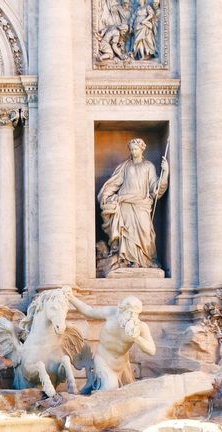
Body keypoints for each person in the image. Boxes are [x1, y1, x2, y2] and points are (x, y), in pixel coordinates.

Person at [98, 138, 168, 270]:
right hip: (125, 204)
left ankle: (145, 260)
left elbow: (155, 188)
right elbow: (115, 183)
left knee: (145, 231)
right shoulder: (125, 166)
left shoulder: (148, 166)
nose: (133, 151)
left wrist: (165, 173)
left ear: (142, 149)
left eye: (135, 149)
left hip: (141, 204)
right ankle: (129, 261)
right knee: (127, 233)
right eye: (131, 149)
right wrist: (106, 195)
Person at [65, 290, 156, 392]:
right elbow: (88, 311)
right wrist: (71, 298)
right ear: (122, 310)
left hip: (123, 366)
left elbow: (152, 351)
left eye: (136, 314)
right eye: (130, 312)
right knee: (110, 390)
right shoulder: (110, 313)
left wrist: (136, 338)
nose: (132, 317)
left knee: (128, 394)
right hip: (103, 361)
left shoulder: (140, 327)